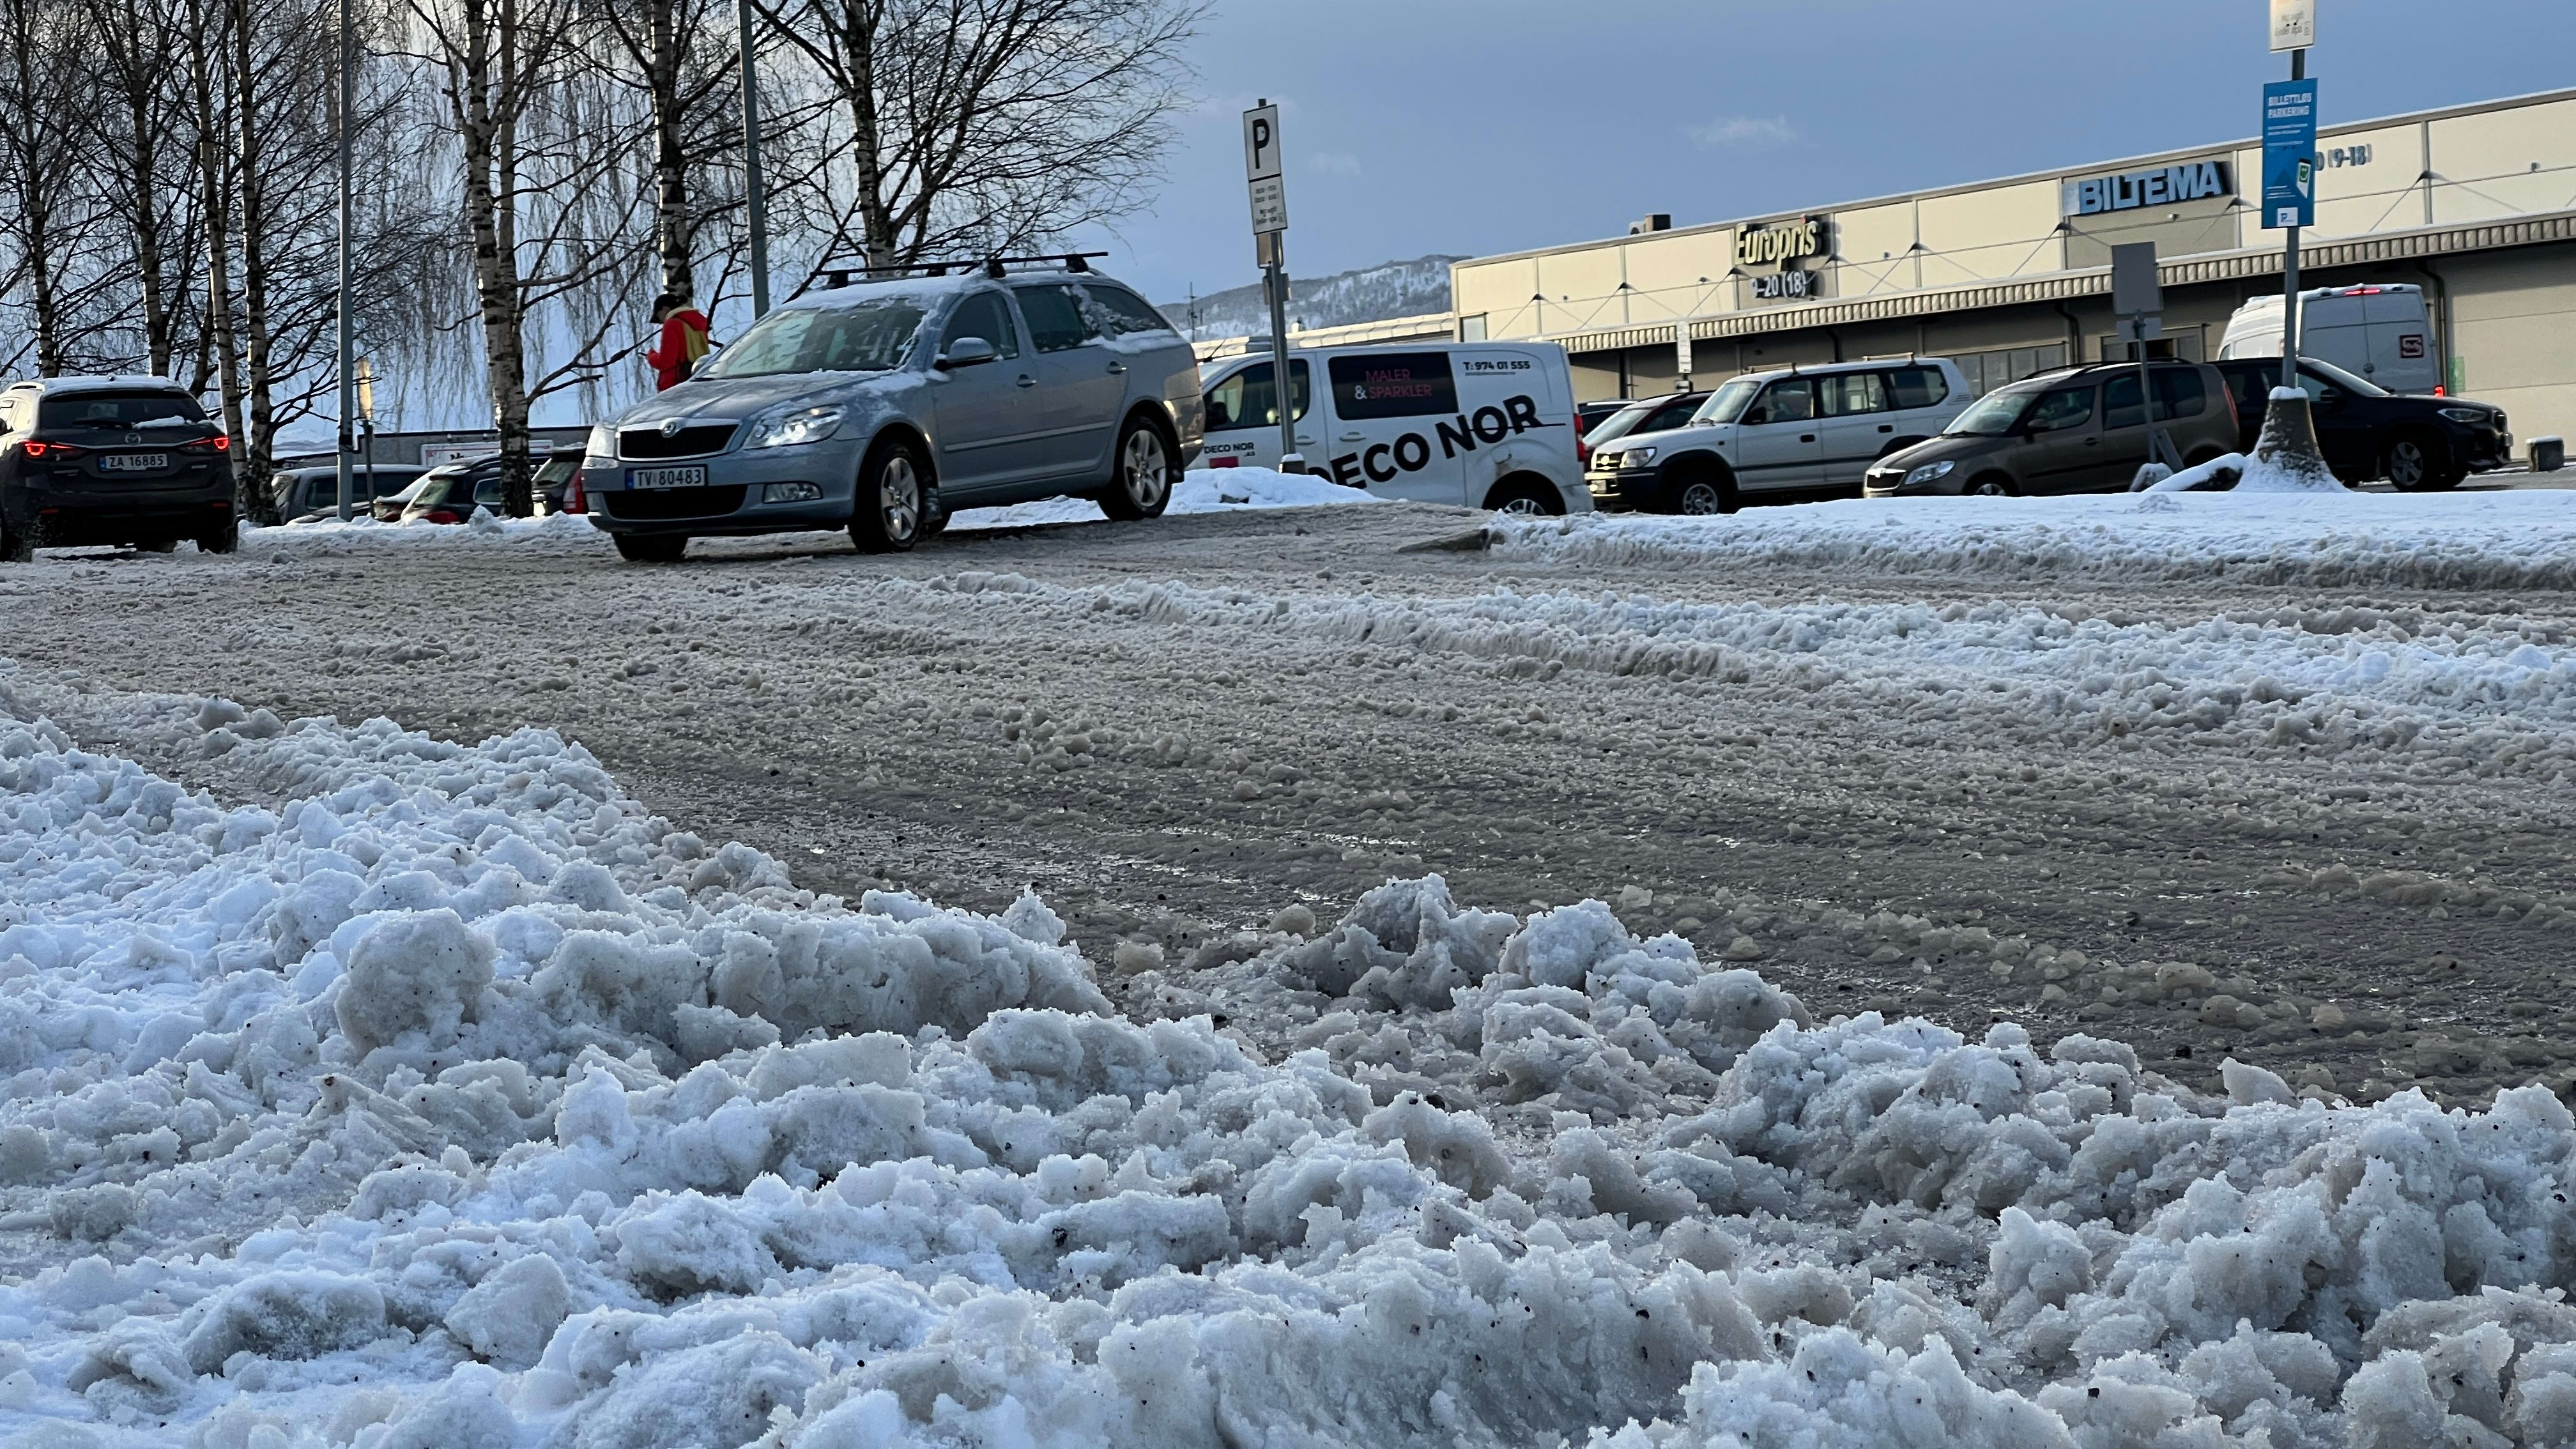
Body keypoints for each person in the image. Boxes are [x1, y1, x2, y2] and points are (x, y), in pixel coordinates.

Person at [645, 291, 714, 392]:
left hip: (675, 386)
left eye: (658, 315)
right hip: (696, 380)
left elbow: (665, 362)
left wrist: (651, 356)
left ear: (665, 309)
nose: (661, 321)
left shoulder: (672, 324)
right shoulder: (700, 323)